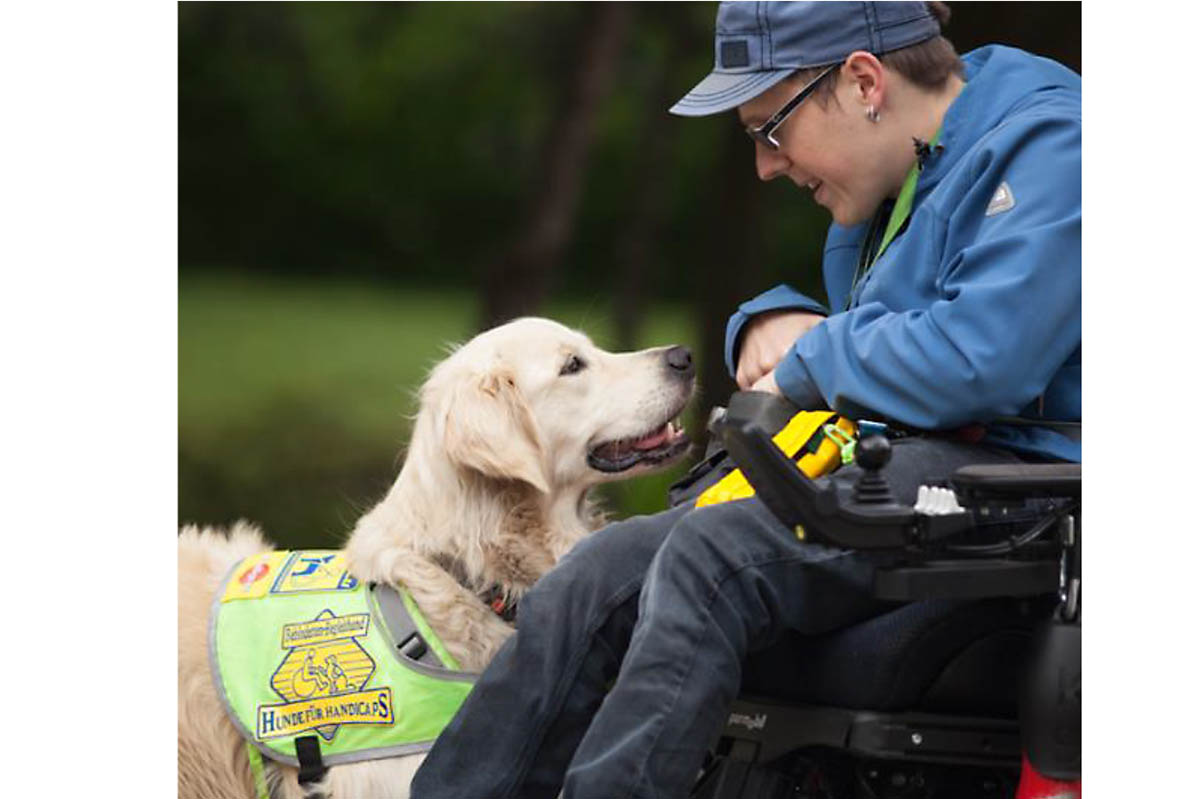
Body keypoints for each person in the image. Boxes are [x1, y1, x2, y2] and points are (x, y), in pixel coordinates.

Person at [411, 2, 1080, 797]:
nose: (767, 166)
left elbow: (982, 357)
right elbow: (880, 334)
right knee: (594, 572)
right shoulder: (891, 176)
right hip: (902, 475)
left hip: (1016, 494)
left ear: (865, 82)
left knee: (710, 555)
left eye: (771, 130)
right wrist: (768, 319)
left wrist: (813, 350)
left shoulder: (1052, 147)